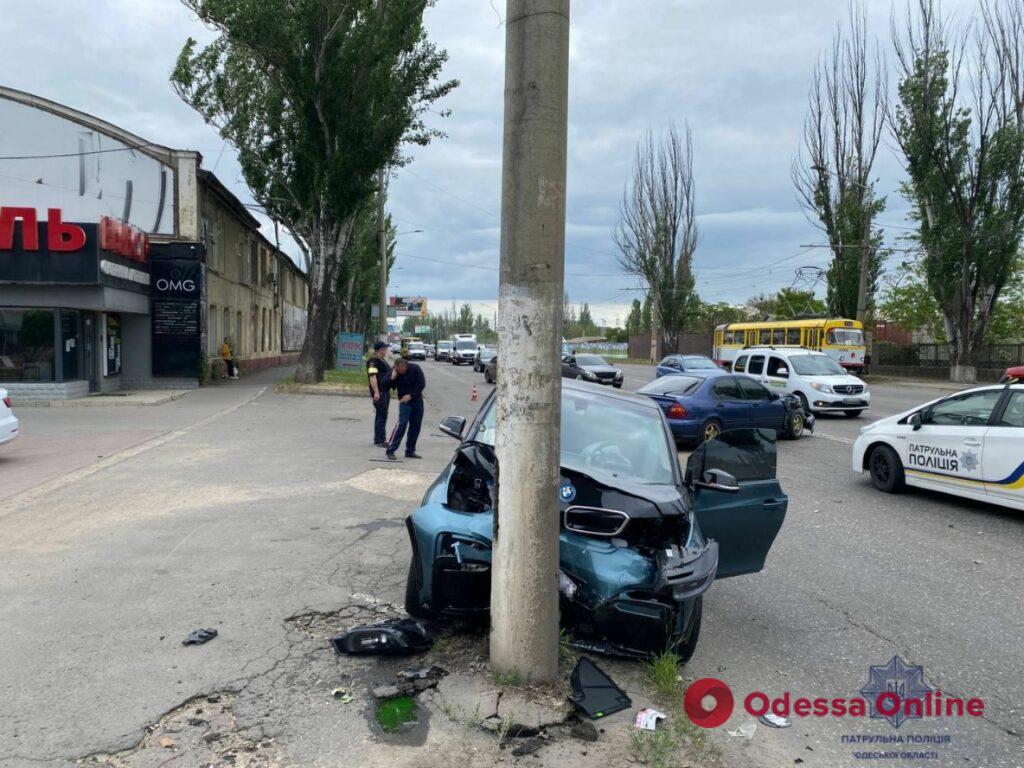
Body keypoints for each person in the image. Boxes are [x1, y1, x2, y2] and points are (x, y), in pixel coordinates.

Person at [385, 357, 426, 460]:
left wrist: (411, 395)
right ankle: (391, 450)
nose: (400, 372)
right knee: (402, 424)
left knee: (415, 426)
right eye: (398, 370)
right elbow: (385, 385)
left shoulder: (415, 368)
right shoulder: (395, 372)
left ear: (405, 366)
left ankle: (410, 450)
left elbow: (421, 384)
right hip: (404, 402)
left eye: (401, 370)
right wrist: (392, 378)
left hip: (416, 401)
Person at [366, 341, 393, 447]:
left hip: (384, 391)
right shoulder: (373, 361)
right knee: (381, 415)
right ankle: (379, 440)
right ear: (381, 350)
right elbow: (372, 376)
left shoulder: (381, 360)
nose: (386, 350)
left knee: (382, 414)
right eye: (385, 349)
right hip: (380, 392)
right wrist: (376, 392)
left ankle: (380, 438)